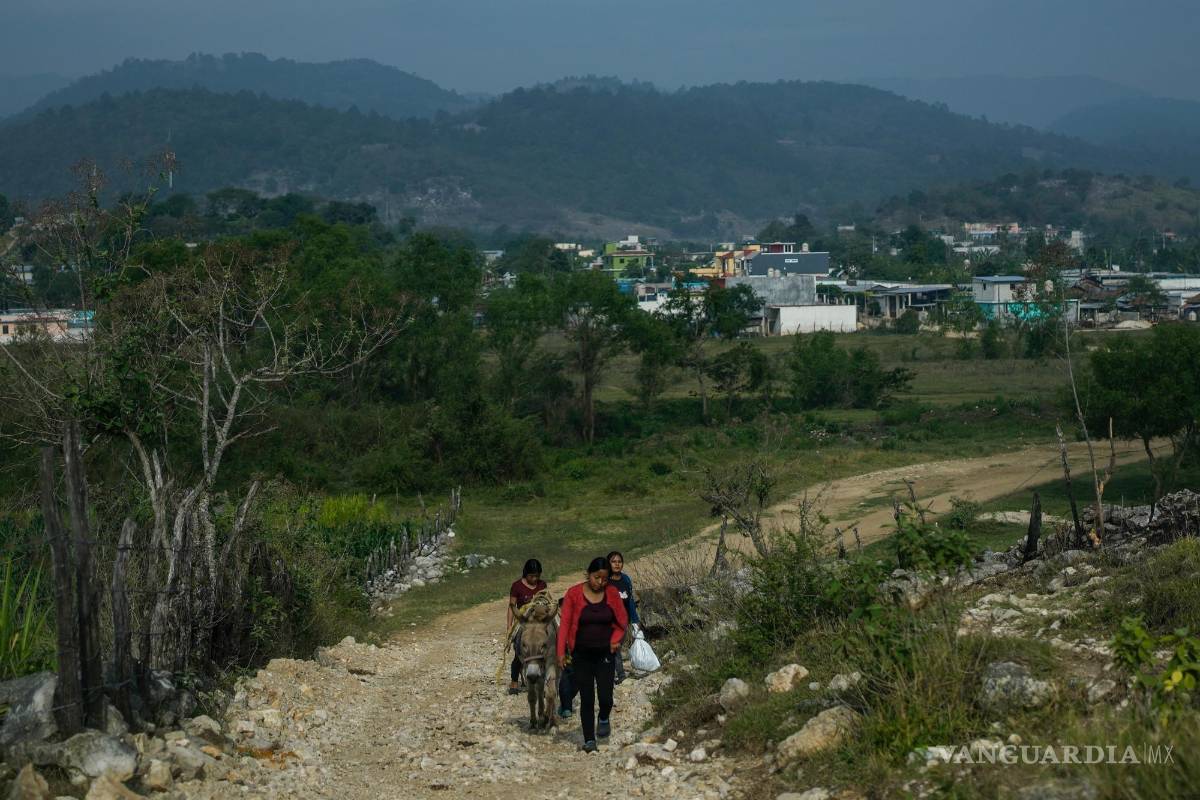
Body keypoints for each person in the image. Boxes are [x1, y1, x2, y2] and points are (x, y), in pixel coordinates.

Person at [557, 556, 628, 752]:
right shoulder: (573, 594)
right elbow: (564, 625)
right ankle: (589, 740)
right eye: (597, 578)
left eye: (604, 579)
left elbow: (622, 622)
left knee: (606, 698)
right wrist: (561, 651)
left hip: (605, 653)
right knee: (587, 698)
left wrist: (615, 639)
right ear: (589, 574)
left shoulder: (612, 593)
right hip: (581, 654)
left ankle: (603, 717)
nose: (600, 583)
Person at [508, 559, 547, 695]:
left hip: (539, 620)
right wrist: (509, 626)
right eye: (531, 576)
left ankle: (543, 679)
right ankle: (514, 681)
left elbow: (546, 602)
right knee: (519, 651)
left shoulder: (542, 585)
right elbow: (512, 607)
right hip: (523, 621)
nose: (534, 579)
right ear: (526, 574)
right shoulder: (517, 586)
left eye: (537, 576)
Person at [607, 550, 639, 684]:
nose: (617, 564)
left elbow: (630, 601)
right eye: (614, 562)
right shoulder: (605, 581)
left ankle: (618, 675)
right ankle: (616, 675)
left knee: (615, 648)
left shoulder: (625, 579)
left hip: (622, 622)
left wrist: (635, 621)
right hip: (607, 622)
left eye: (619, 562)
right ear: (608, 564)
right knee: (612, 649)